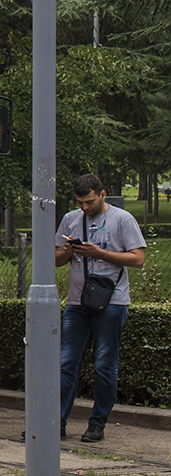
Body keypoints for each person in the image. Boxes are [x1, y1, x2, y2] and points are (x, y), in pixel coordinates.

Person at [55, 173, 147, 442]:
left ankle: (97, 423)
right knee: (66, 363)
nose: (85, 208)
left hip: (112, 301)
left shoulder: (122, 219)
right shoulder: (71, 219)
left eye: (90, 202)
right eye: (81, 202)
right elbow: (57, 259)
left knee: (104, 365)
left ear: (103, 195)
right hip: (77, 300)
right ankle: (56, 422)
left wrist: (100, 253)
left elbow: (138, 259)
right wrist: (71, 250)